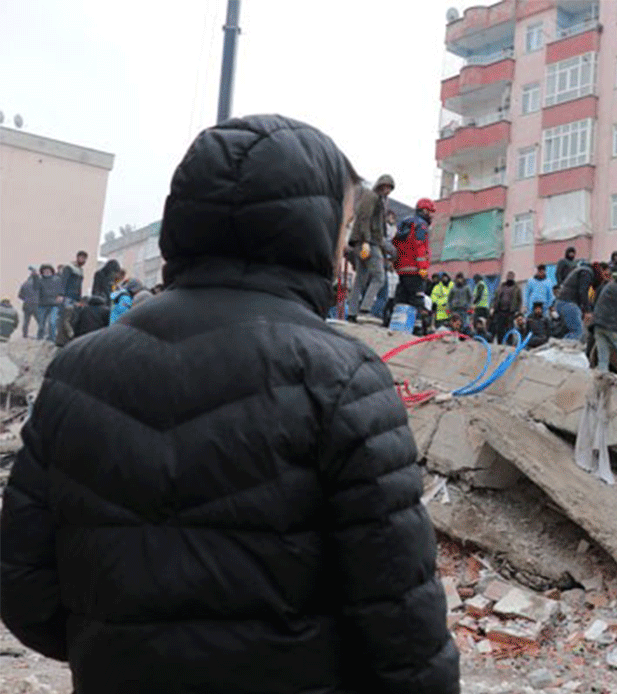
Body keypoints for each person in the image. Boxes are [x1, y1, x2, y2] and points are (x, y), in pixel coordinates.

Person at [0, 115, 458, 694]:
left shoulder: (77, 372)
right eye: (343, 225)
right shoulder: (344, 378)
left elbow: (26, 592)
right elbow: (404, 626)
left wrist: (124, 647)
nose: (345, 246)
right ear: (310, 231)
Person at [345, 174, 394, 323]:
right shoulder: (371, 196)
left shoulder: (378, 200)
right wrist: (366, 241)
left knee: (360, 278)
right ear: (379, 185)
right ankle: (364, 309)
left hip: (369, 242)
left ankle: (352, 313)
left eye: (390, 188)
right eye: (385, 186)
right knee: (379, 277)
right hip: (368, 242)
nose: (387, 190)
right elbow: (364, 218)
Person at [386, 198, 434, 329]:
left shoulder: (404, 223)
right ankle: (417, 328)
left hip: (402, 270)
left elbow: (395, 244)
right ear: (424, 211)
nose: (432, 215)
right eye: (430, 212)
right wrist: (423, 269)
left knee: (401, 299)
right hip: (415, 270)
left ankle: (397, 325)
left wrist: (394, 263)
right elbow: (420, 247)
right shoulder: (421, 225)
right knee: (417, 301)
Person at [556, 262, 595, 342]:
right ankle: (561, 350)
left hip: (562, 302)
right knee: (577, 332)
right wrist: (587, 311)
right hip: (568, 303)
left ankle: (560, 347)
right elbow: (583, 292)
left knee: (573, 331)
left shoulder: (578, 271)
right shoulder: (586, 273)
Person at [35, 264, 64, 341]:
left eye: (48, 271)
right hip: (42, 304)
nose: (47, 272)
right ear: (42, 272)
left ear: (52, 271)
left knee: (52, 322)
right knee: (41, 324)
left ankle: (52, 339)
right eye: (45, 271)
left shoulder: (57, 279)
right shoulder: (39, 280)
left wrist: (61, 296)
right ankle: (39, 338)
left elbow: (61, 290)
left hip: (54, 305)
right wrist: (34, 276)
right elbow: (35, 288)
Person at [492, 271, 523, 341]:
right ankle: (500, 343)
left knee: (509, 329)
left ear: (513, 277)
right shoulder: (502, 286)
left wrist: (518, 311)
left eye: (511, 276)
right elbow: (496, 297)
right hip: (500, 311)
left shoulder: (516, 288)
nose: (509, 278)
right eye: (508, 276)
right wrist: (494, 307)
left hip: (510, 312)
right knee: (500, 330)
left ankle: (509, 344)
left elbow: (520, 300)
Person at [18, 267, 38, 339]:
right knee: (39, 321)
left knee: (26, 321)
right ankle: (41, 334)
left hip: (26, 305)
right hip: (36, 305)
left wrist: (26, 299)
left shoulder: (25, 283)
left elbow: (20, 295)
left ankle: (24, 335)